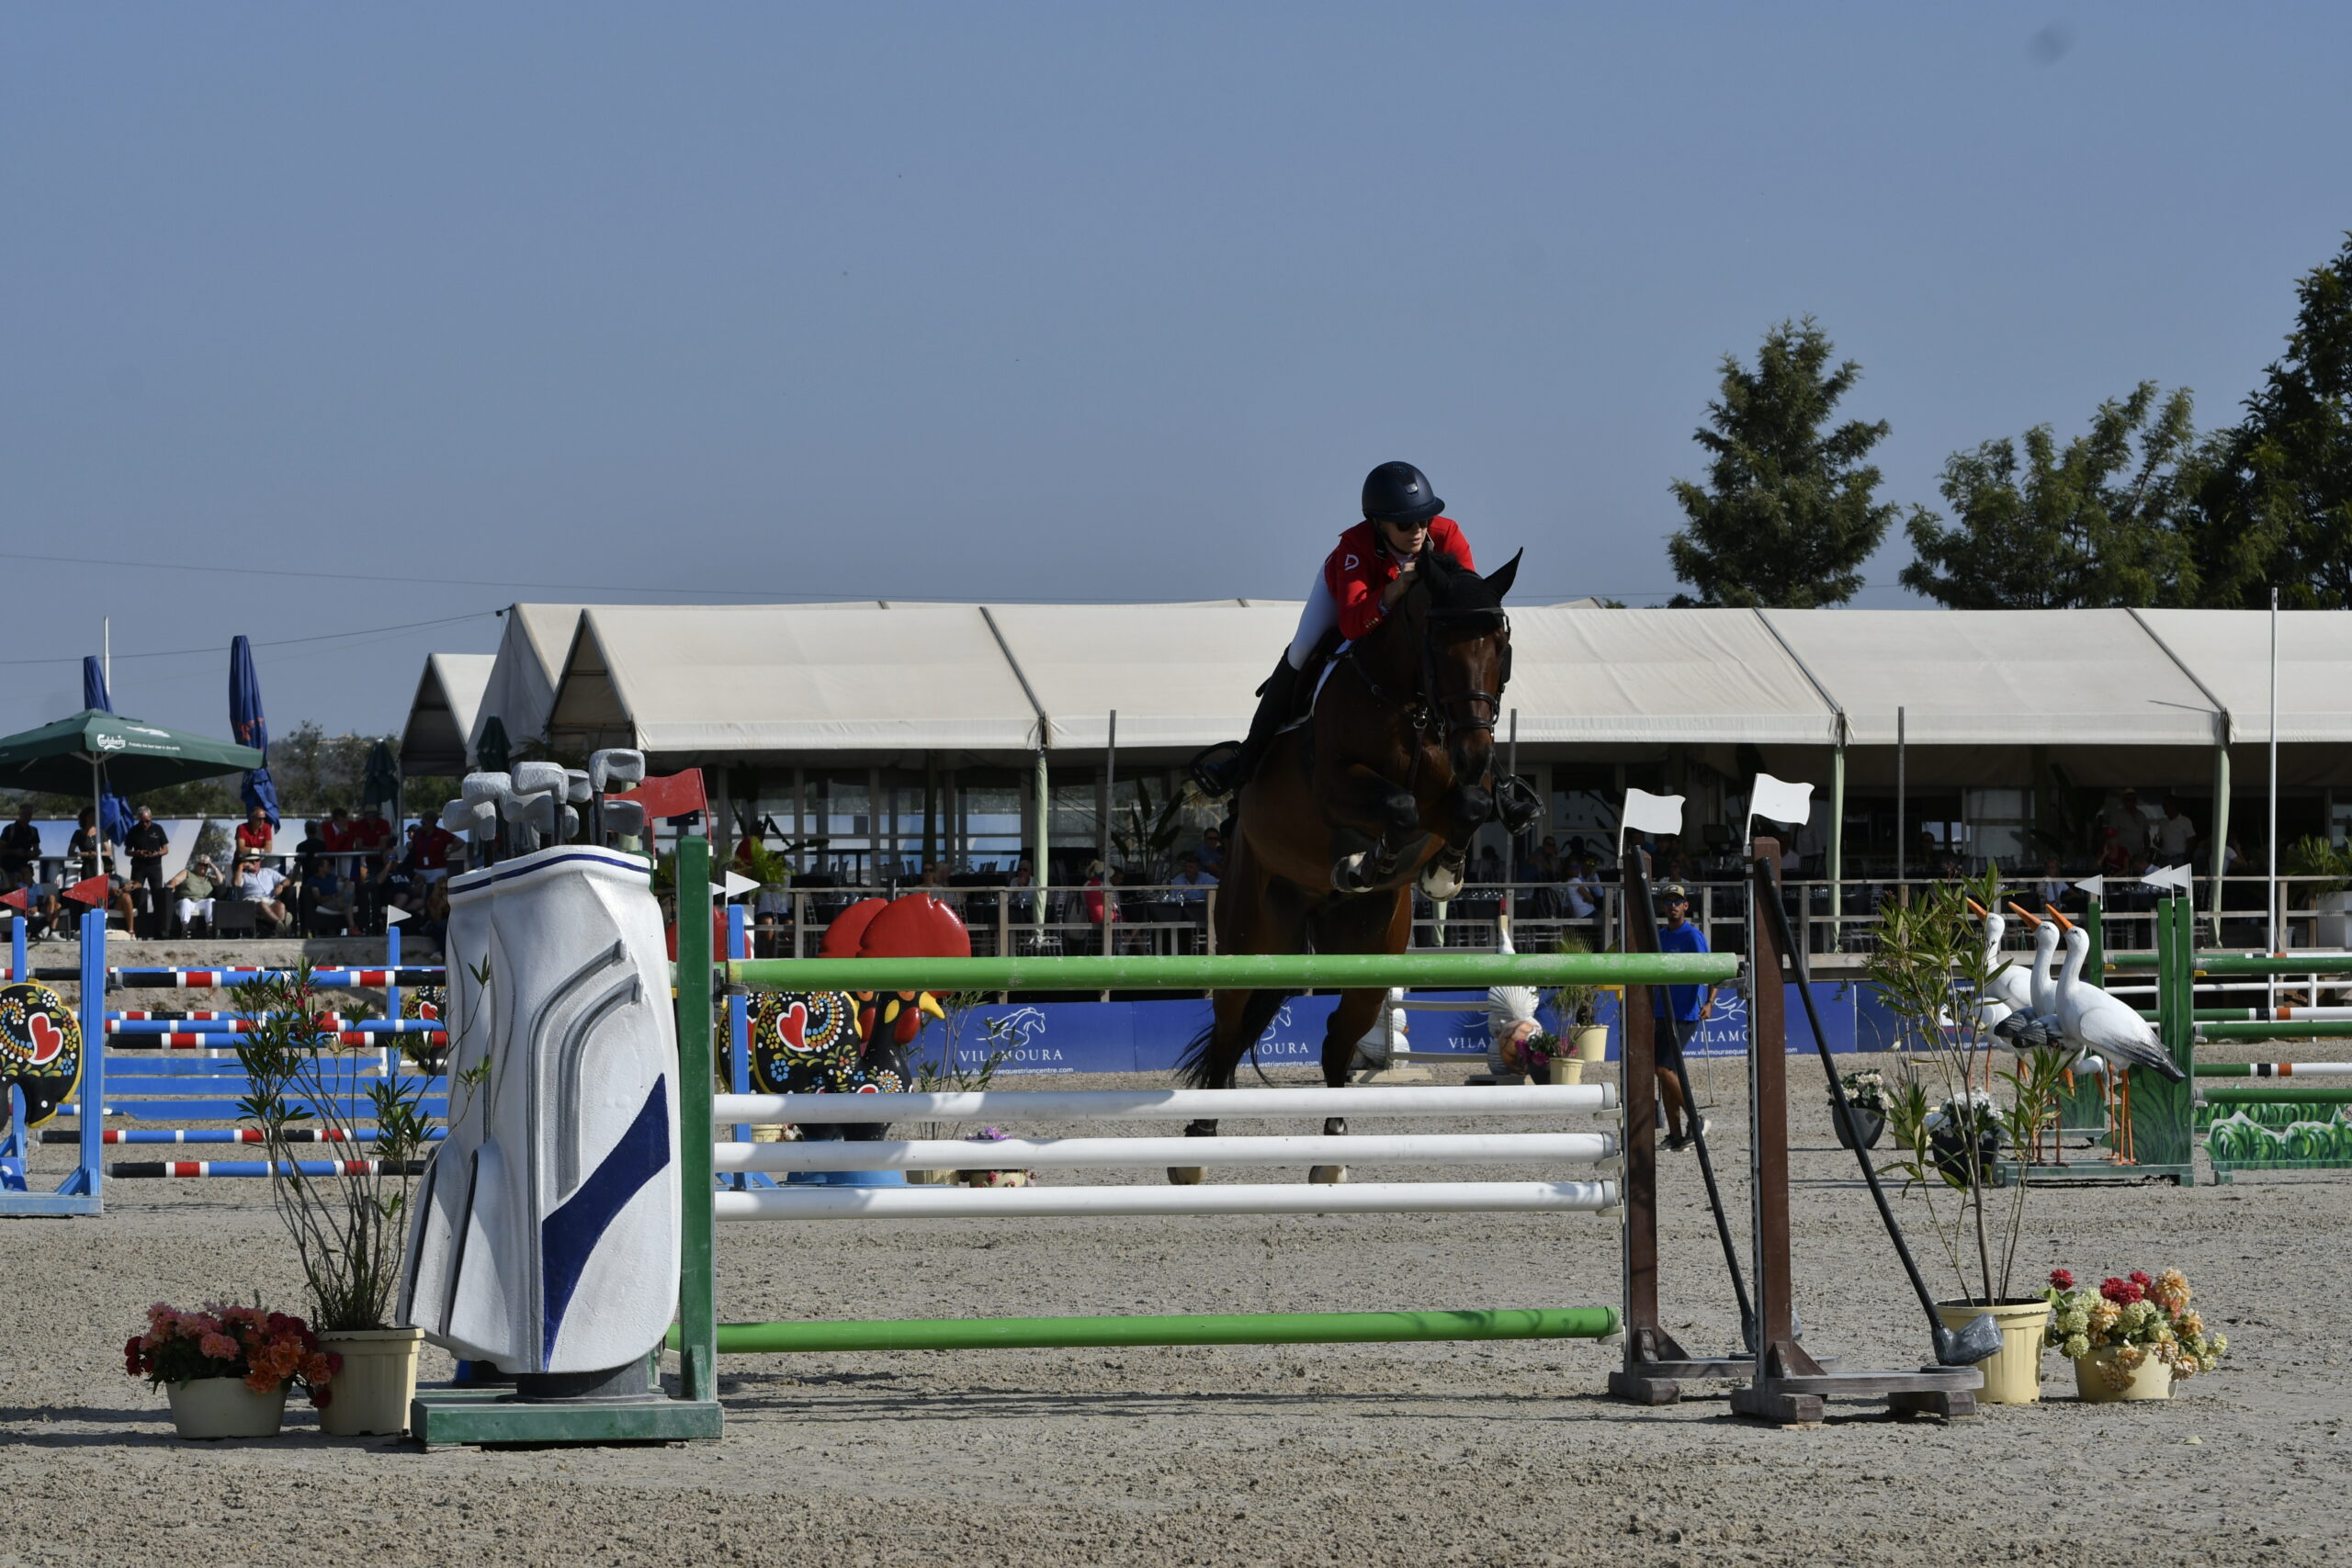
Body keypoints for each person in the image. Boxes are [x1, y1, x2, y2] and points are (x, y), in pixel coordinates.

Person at [1193, 460, 1532, 840]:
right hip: (1353, 602)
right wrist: (1392, 591)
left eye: (1424, 520)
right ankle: (1248, 754)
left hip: (1416, 626)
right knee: (1301, 650)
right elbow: (1352, 623)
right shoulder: (1354, 547)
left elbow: (1465, 603)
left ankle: (1498, 784)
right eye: (1405, 525)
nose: (1418, 531)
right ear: (1379, 524)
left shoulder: (1448, 534)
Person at [1653, 883, 1718, 1153]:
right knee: (1666, 1074)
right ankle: (1676, 1135)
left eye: (1677, 902)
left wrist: (1710, 1002)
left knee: (1663, 1069)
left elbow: (1713, 970)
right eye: (1668, 902)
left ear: (1686, 906)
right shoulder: (1660, 936)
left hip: (1685, 1014)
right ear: (1663, 906)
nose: (1673, 906)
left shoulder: (1693, 936)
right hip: (1661, 1012)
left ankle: (1696, 1118)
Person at [123, 805, 171, 935]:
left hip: (154, 867)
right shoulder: (133, 830)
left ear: (151, 818)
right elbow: (127, 851)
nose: (145, 824)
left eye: (147, 821)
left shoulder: (158, 829)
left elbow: (165, 849)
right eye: (142, 821)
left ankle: (158, 930)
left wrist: (156, 853)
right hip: (138, 867)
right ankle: (136, 929)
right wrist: (137, 853)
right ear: (138, 819)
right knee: (136, 895)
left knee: (157, 896)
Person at [232, 853, 291, 934]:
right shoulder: (243, 875)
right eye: (251, 861)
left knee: (280, 905)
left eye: (257, 860)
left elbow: (287, 881)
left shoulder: (268, 872)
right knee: (262, 905)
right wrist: (240, 866)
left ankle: (281, 929)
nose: (254, 863)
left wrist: (281, 885)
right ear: (246, 862)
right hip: (252, 901)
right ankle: (282, 924)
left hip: (269, 900)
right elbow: (236, 883)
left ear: (260, 861)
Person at [167, 855, 220, 936]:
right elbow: (175, 880)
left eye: (205, 865)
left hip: (201, 902)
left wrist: (214, 867)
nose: (202, 867)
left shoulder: (209, 877)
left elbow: (220, 881)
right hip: (187, 901)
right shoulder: (187, 873)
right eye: (200, 864)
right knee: (185, 902)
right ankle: (184, 931)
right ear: (196, 864)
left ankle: (209, 931)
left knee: (211, 901)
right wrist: (172, 886)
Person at [0, 804, 40, 886]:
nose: (27, 817)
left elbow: (37, 850)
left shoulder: (33, 831)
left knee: (31, 890)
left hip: (24, 871)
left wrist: (33, 853)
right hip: (8, 869)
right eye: (24, 814)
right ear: (19, 814)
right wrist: (14, 852)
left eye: (29, 814)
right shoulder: (10, 829)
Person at [2154, 796, 2197, 864]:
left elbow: (2191, 840)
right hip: (2164, 858)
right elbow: (2161, 843)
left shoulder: (2185, 821)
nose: (2163, 808)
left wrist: (2186, 856)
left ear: (2173, 806)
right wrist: (2156, 843)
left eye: (2165, 806)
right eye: (2163, 806)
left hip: (2179, 858)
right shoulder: (2162, 822)